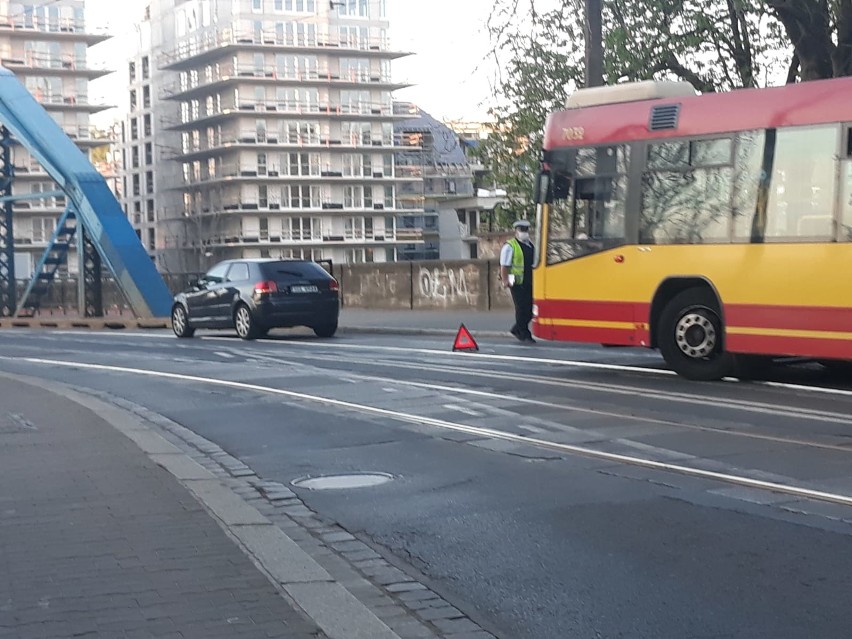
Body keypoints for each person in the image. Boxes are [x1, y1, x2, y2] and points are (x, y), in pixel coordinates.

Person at [499, 219, 535, 343]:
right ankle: (524, 333)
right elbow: (504, 265)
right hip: (516, 282)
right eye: (521, 230)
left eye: (526, 230)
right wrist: (505, 281)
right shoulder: (510, 246)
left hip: (529, 282)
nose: (524, 232)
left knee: (530, 310)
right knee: (521, 309)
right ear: (516, 231)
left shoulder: (530, 244)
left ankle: (516, 329)